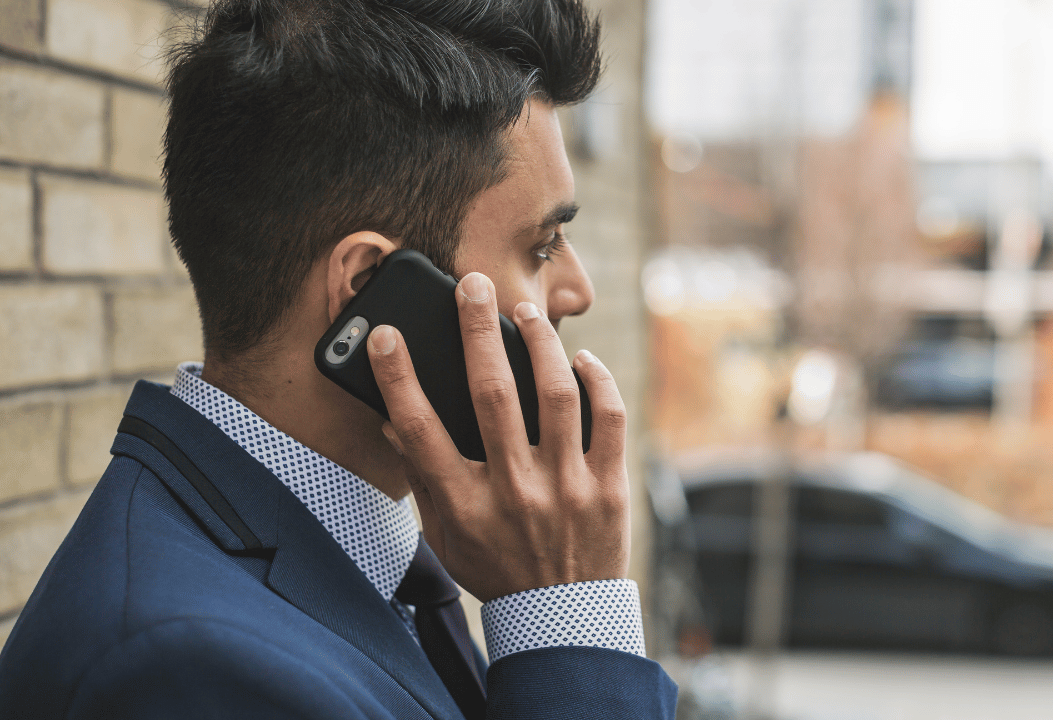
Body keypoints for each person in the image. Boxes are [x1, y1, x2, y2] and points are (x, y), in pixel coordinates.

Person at [0, 0, 678, 717]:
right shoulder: (187, 668)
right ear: (368, 290)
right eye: (541, 247)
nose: (578, 290)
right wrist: (569, 616)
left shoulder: (367, 557)